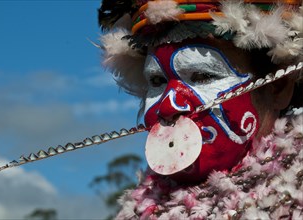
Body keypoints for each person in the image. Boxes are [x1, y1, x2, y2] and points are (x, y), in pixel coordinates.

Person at [98, 0, 302, 219]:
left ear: (277, 87)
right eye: (157, 81)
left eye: (203, 76)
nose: (168, 106)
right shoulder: (138, 210)